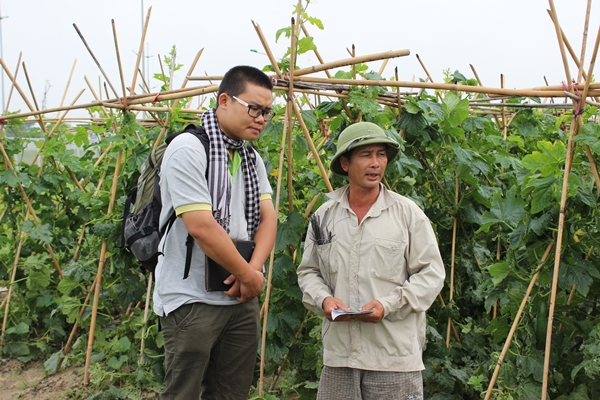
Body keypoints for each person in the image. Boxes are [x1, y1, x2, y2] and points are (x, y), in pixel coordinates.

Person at [152, 65, 277, 400]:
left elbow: (268, 218)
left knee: (231, 392)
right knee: (184, 392)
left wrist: (253, 272)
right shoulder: (188, 149)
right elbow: (201, 226)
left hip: (239, 295)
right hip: (191, 298)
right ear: (224, 100)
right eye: (254, 108)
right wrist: (247, 274)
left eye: (267, 111)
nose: (261, 118)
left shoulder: (251, 158)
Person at [297, 121, 445, 400]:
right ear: (345, 163)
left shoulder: (407, 214)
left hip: (392, 357)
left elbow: (431, 274)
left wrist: (387, 305)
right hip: (340, 356)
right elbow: (309, 272)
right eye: (366, 155)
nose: (375, 163)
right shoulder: (324, 217)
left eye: (381, 154)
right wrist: (324, 301)